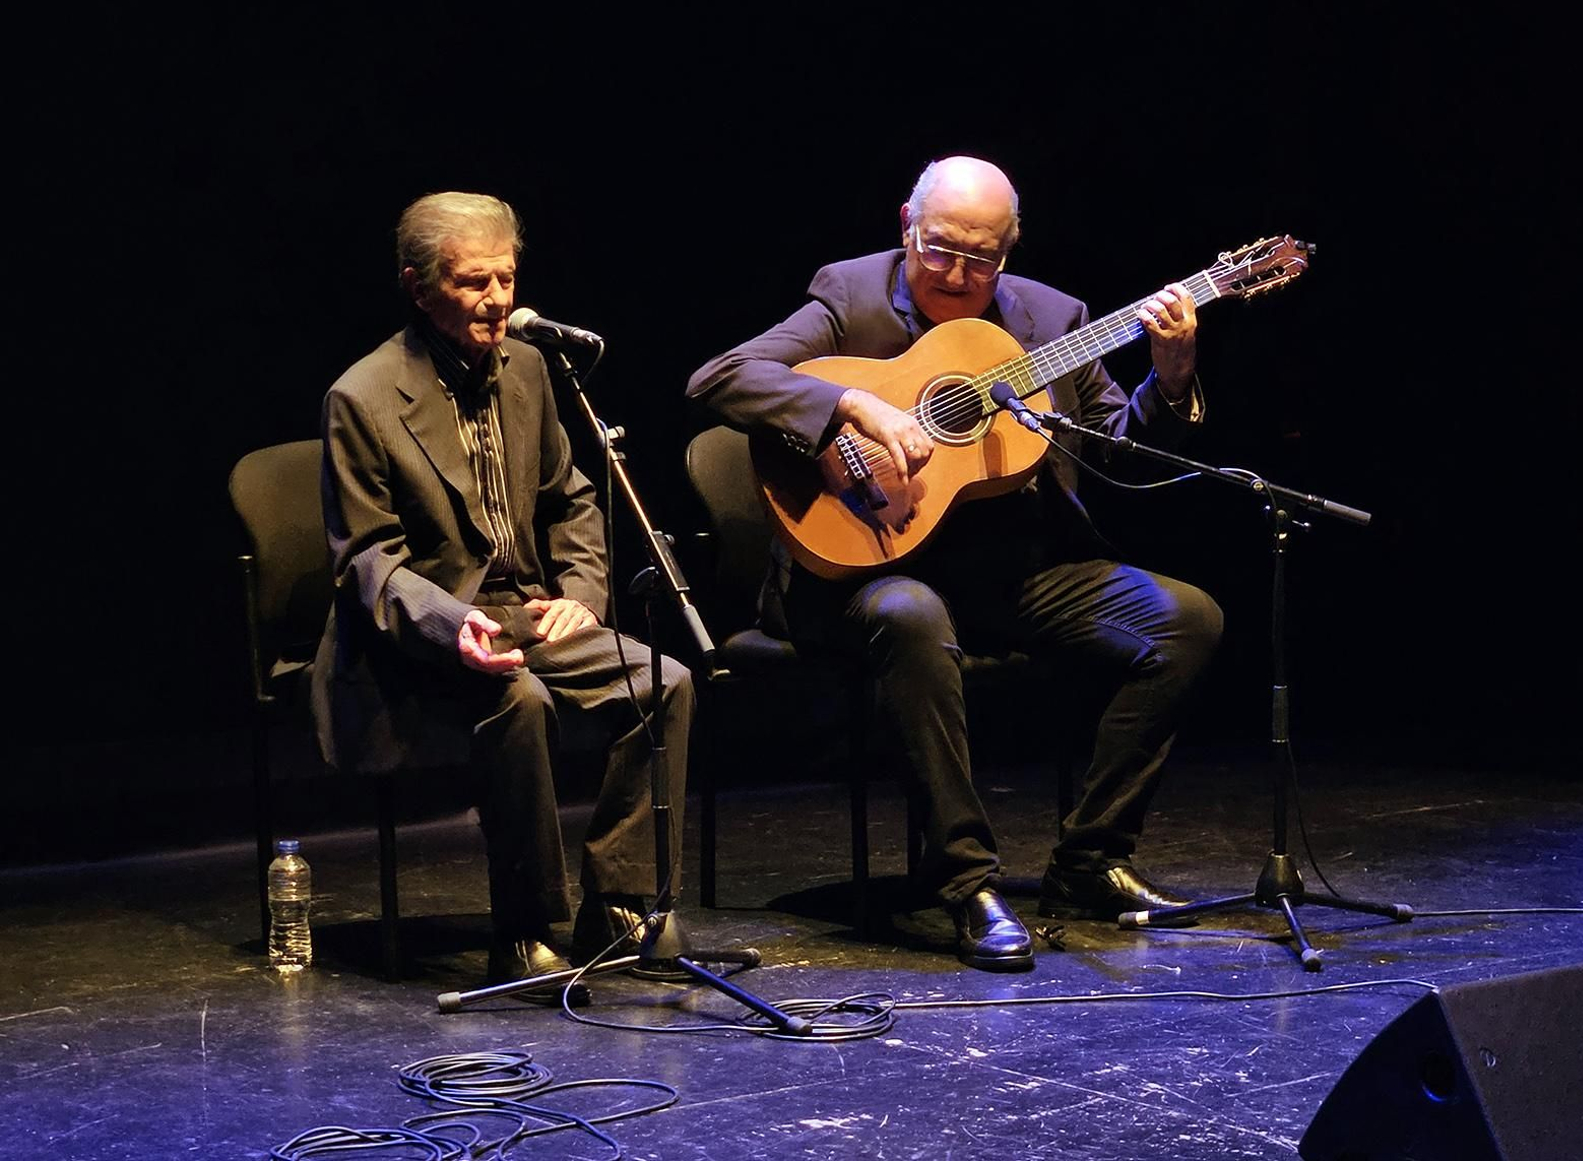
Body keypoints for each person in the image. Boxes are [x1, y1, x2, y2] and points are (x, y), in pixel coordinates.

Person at [686, 156, 1222, 972]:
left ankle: (1088, 861)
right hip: (867, 573)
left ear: (1009, 249)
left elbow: (1127, 455)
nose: (958, 274)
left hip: (1014, 575)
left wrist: (1172, 376)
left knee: (1187, 619)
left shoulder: (1054, 319)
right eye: (939, 249)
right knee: (913, 614)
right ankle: (967, 882)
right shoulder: (850, 294)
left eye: (983, 257)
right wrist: (848, 406)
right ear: (908, 223)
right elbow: (721, 377)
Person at [312, 190, 694, 985]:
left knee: (667, 684)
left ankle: (618, 905)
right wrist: (454, 624)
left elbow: (572, 498)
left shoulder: (529, 369)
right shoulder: (363, 397)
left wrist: (581, 593)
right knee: (518, 702)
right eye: (472, 284)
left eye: (506, 279)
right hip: (422, 633)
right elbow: (369, 563)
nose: (497, 302)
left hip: (528, 613)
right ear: (419, 289)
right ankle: (523, 928)